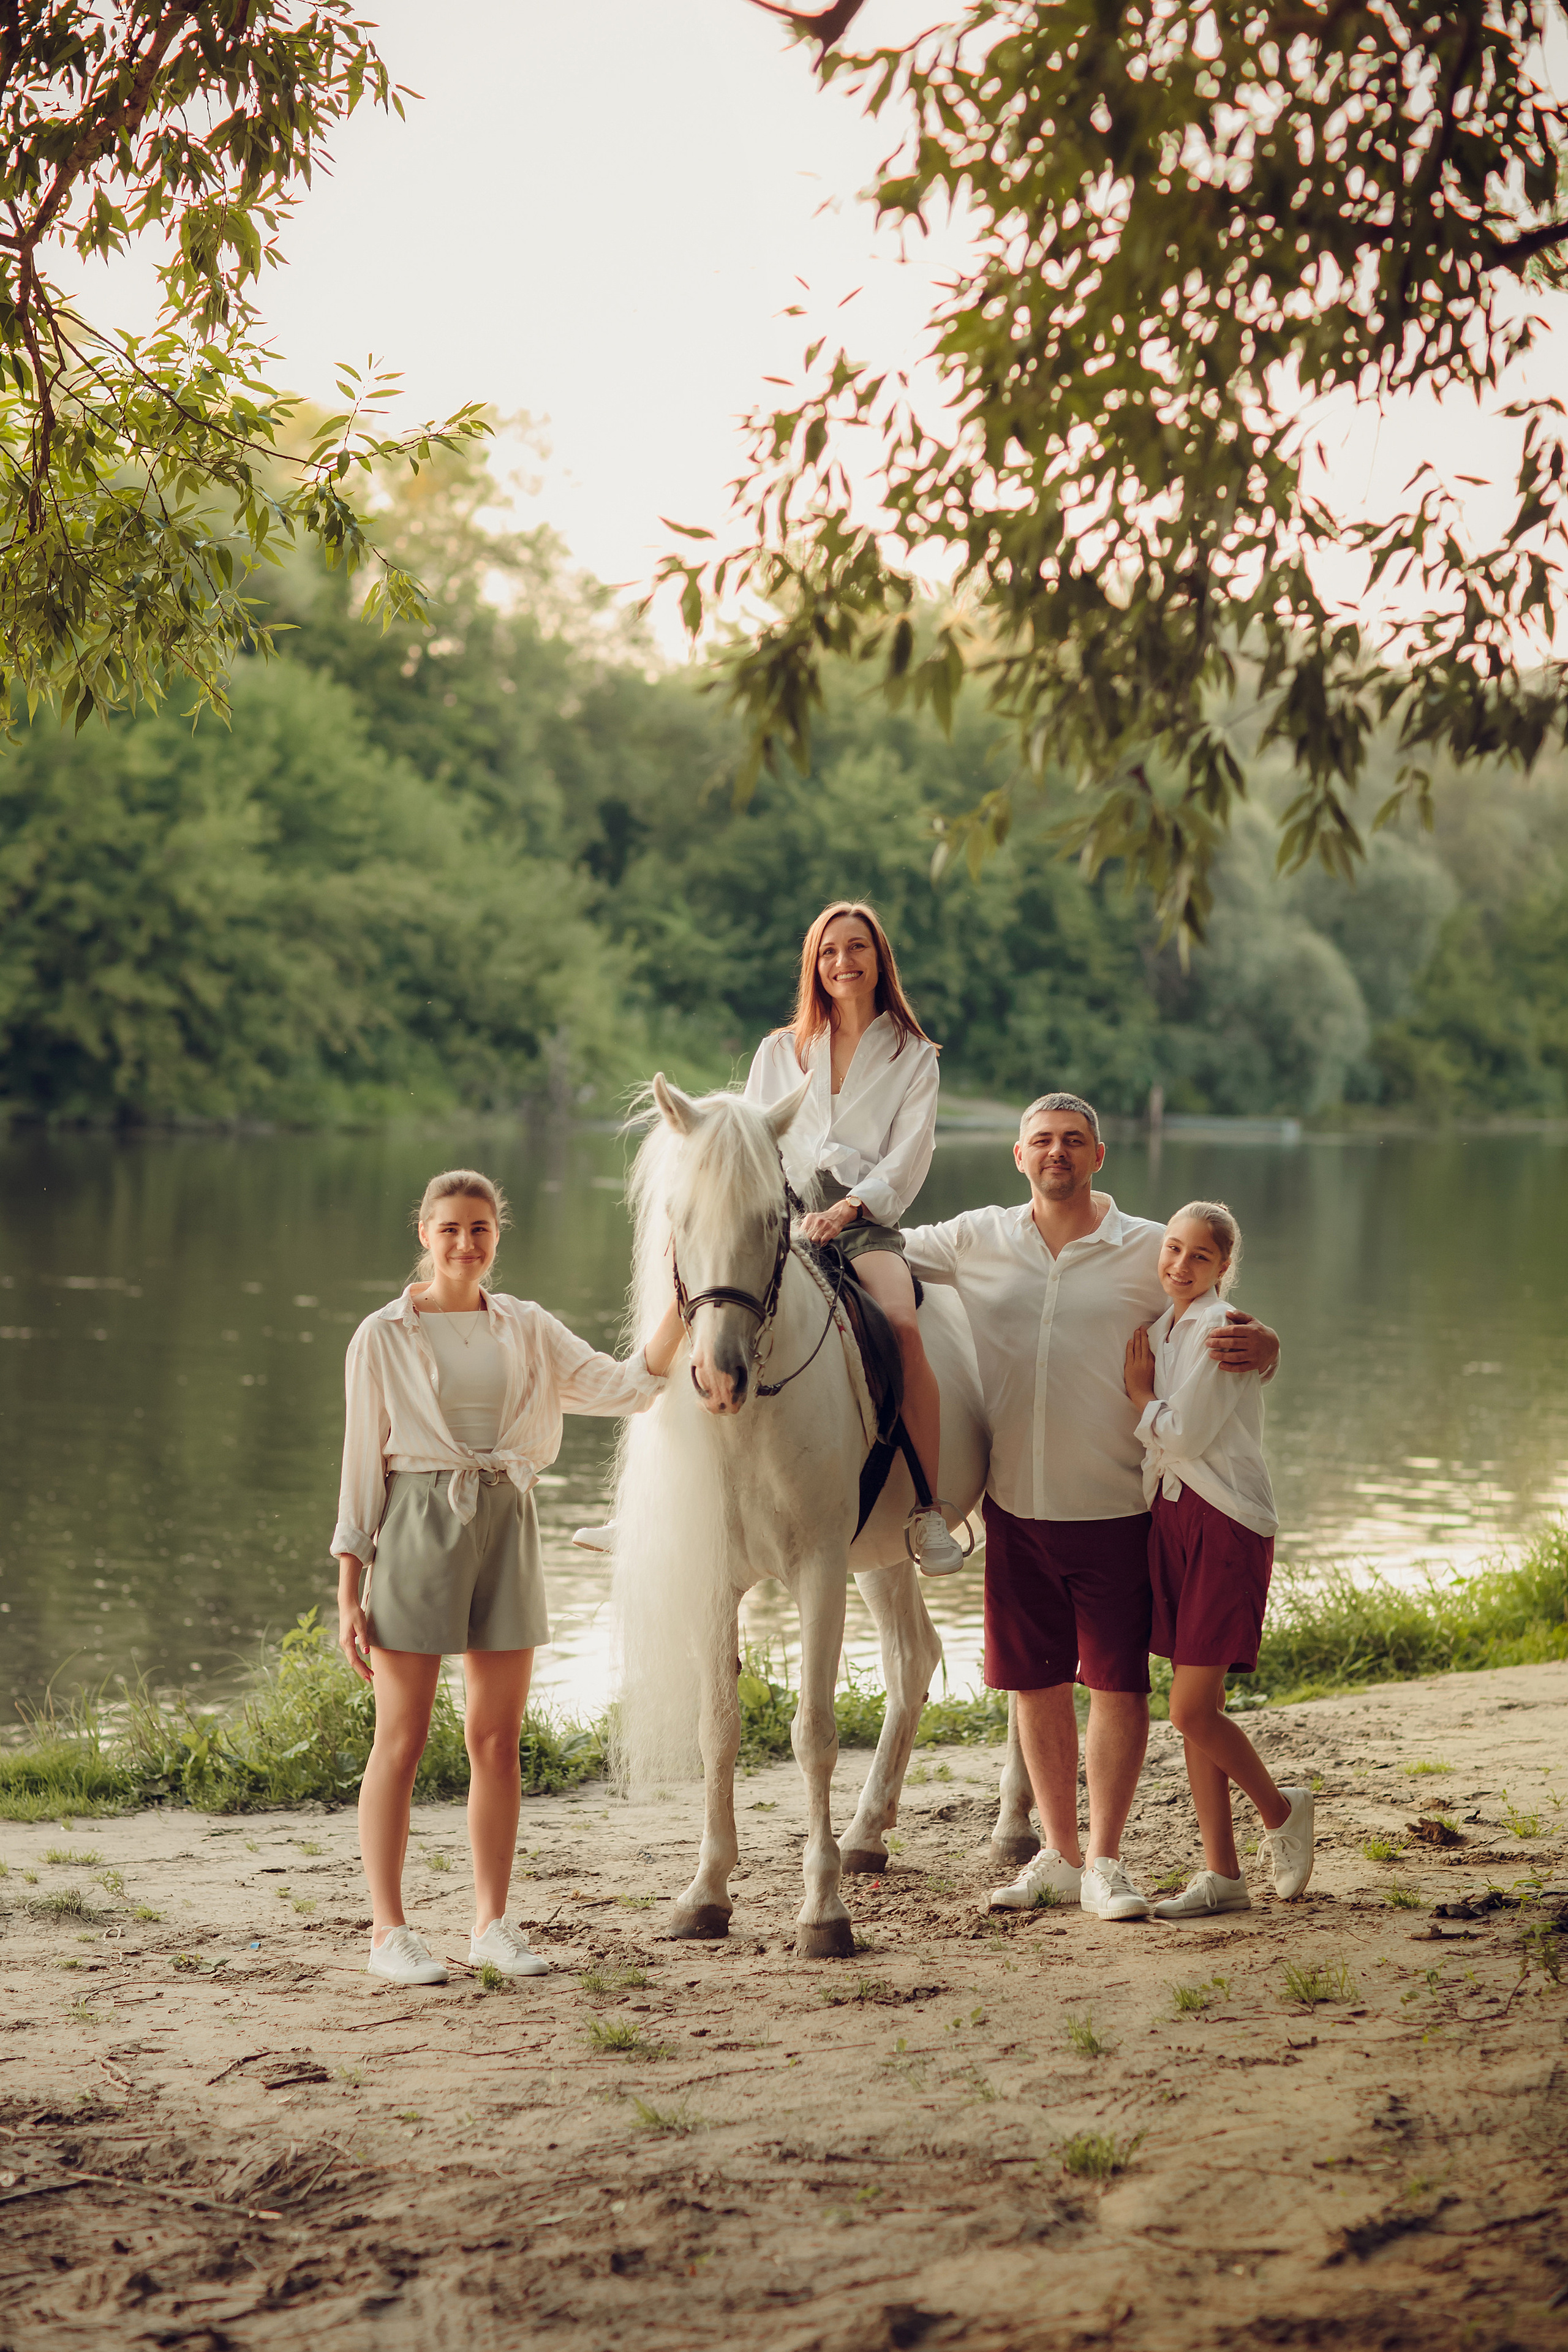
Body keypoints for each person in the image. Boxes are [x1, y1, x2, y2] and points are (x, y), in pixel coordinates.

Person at [900, 1093, 1281, 1921]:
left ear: (1099, 1156)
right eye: (1042, 1140)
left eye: (1073, 1140)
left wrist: (1271, 1347)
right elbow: (880, 1246)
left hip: (1116, 1508)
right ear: (1019, 1155)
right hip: (1014, 1507)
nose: (1057, 1153)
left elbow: (1214, 1314)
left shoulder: (1151, 1249)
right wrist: (819, 1217)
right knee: (1033, 1685)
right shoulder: (975, 1238)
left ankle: (1106, 1861)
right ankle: (1060, 1857)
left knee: (1116, 1685)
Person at [333, 1167, 684, 1987]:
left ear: (498, 1236)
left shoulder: (526, 1325)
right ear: (424, 1233)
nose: (466, 1242)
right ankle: (389, 1931)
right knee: (402, 1738)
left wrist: (686, 1300)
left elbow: (625, 1385)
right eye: (450, 1227)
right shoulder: (381, 1334)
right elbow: (358, 1468)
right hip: (418, 1522)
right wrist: (349, 1588)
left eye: (481, 1228)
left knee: (495, 1739)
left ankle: (492, 1923)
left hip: (509, 1525)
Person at [742, 900, 963, 1576]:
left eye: (856, 947)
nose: (843, 961)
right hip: (781, 1216)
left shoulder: (913, 1055)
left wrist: (848, 1213)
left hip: (864, 1219)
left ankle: (927, 1508)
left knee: (901, 1324)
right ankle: (648, 1502)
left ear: (878, 959)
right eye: (829, 950)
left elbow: (908, 1157)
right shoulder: (779, 1051)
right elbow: (754, 1139)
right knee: (701, 1303)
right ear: (814, 963)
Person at [1123, 1201, 1313, 1913]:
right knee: (1198, 1704)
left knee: (1190, 1710)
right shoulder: (1157, 1329)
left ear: (1224, 1268)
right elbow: (1166, 1451)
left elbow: (1185, 1435)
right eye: (1172, 1250)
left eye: (1198, 1257)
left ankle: (1280, 1809)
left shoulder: (1221, 1333)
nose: (1178, 1266)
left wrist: (1139, 1396)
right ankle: (1223, 1876)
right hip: (1170, 1516)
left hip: (1225, 1519)